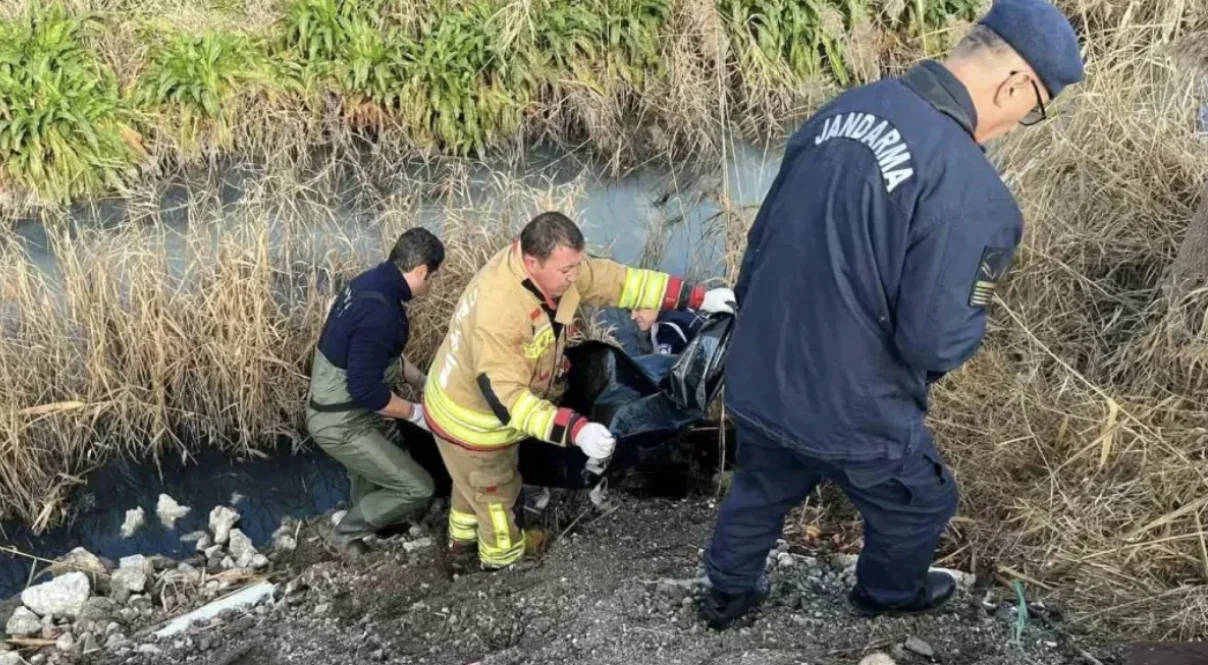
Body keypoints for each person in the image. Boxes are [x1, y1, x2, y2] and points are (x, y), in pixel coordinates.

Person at [700, 0, 1085, 629]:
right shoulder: (973, 192)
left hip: (762, 369)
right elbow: (935, 341)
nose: (1019, 123)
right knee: (921, 500)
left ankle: (728, 591)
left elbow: (759, 244)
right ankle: (886, 594)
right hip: (851, 404)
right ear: (1013, 83)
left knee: (764, 479)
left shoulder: (843, 111)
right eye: (1033, 109)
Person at [424, 211, 737, 571]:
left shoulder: (554, 273)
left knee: (470, 484)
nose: (575, 276)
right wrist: (576, 430)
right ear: (532, 262)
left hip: (459, 402)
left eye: (577, 265)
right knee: (497, 492)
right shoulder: (500, 313)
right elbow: (509, 402)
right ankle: (503, 563)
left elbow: (622, 283)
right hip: (473, 422)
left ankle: (460, 545)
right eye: (566, 270)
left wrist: (697, 298)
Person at [307, 228, 446, 558]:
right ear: (421, 270)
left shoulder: (371, 284)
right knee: (418, 487)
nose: (432, 284)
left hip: (340, 409)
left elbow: (385, 357)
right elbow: (367, 392)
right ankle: (343, 535)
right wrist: (417, 414)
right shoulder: (380, 313)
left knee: (371, 469)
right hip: (339, 422)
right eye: (433, 277)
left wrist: (425, 383)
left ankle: (372, 519)